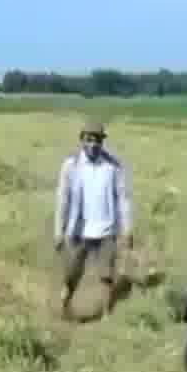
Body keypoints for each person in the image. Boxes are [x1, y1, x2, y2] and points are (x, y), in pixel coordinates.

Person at [52, 119, 131, 320]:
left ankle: (106, 316)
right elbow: (63, 198)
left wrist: (127, 228)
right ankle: (64, 306)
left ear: (102, 142)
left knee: (106, 275)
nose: (93, 144)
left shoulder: (113, 166)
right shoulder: (71, 166)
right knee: (72, 274)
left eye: (97, 140)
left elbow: (123, 198)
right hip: (78, 232)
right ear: (82, 140)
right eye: (89, 139)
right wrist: (58, 230)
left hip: (106, 231)